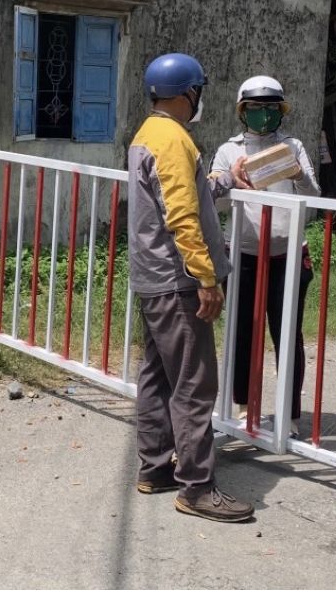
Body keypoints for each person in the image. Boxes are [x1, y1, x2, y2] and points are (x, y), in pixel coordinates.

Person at [127, 53, 256, 523]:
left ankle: (155, 467)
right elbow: (181, 215)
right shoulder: (173, 140)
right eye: (199, 90)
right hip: (177, 280)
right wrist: (205, 277)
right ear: (189, 94)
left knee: (158, 377)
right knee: (195, 385)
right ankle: (198, 488)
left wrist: (223, 180)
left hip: (152, 278)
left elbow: (189, 191)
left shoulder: (149, 134)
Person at [211, 76, 321, 437]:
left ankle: (289, 415)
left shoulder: (293, 146)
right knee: (242, 332)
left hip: (287, 256)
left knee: (287, 335)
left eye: (270, 109)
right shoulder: (230, 151)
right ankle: (244, 409)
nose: (263, 116)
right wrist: (233, 179)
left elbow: (314, 200)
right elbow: (217, 200)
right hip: (242, 254)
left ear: (281, 112)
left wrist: (299, 173)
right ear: (243, 112)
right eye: (256, 109)